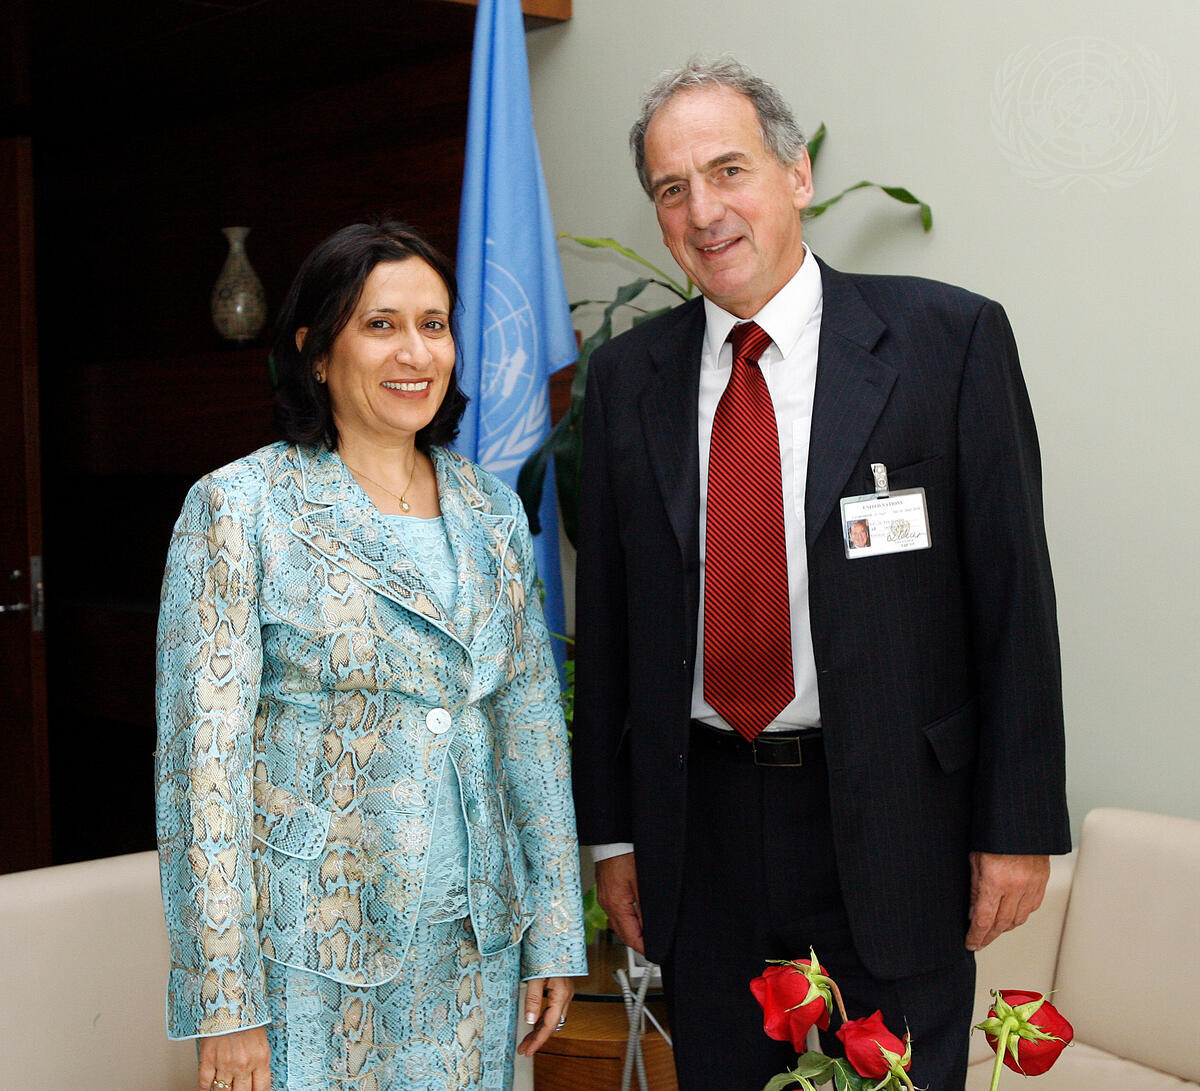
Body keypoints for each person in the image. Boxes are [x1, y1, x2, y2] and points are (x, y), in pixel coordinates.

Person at [571, 58, 1069, 1089]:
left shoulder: (947, 342)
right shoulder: (626, 379)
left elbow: (1014, 599)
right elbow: (609, 624)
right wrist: (613, 837)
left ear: (796, 175)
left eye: (729, 170)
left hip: (894, 822)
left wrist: (1017, 827)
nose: (704, 211)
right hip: (699, 830)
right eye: (672, 188)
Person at [155, 221, 586, 1091]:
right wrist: (225, 999)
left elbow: (532, 733)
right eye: (381, 324)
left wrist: (552, 932)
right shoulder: (240, 507)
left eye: (434, 324)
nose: (415, 352)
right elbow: (201, 772)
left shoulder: (493, 512)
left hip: (474, 947)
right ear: (316, 351)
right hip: (309, 952)